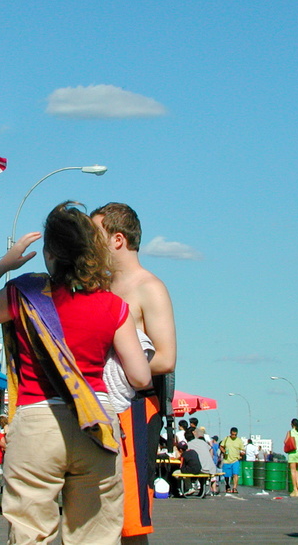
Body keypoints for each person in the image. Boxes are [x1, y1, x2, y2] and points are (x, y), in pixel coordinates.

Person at [0, 201, 152, 545]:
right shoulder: (113, 305)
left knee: (31, 533)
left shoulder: (25, 293)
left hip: (37, 423)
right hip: (97, 423)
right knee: (95, 536)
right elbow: (140, 377)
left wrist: (2, 266)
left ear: (49, 254)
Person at [92, 202, 177, 544]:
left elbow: (166, 357)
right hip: (97, 404)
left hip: (135, 408)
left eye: (94, 234)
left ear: (117, 239)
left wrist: (115, 370)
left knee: (129, 515)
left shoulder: (148, 287)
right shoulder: (99, 285)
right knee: (96, 508)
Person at [220, 427, 244, 493]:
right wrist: (224, 451)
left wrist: (242, 454)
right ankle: (227, 486)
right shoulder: (226, 439)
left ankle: (235, 487)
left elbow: (243, 450)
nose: (234, 436)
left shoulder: (239, 440)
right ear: (230, 433)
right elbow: (221, 446)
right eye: (232, 434)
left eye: (235, 435)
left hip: (235, 460)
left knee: (235, 474)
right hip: (227, 460)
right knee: (226, 475)